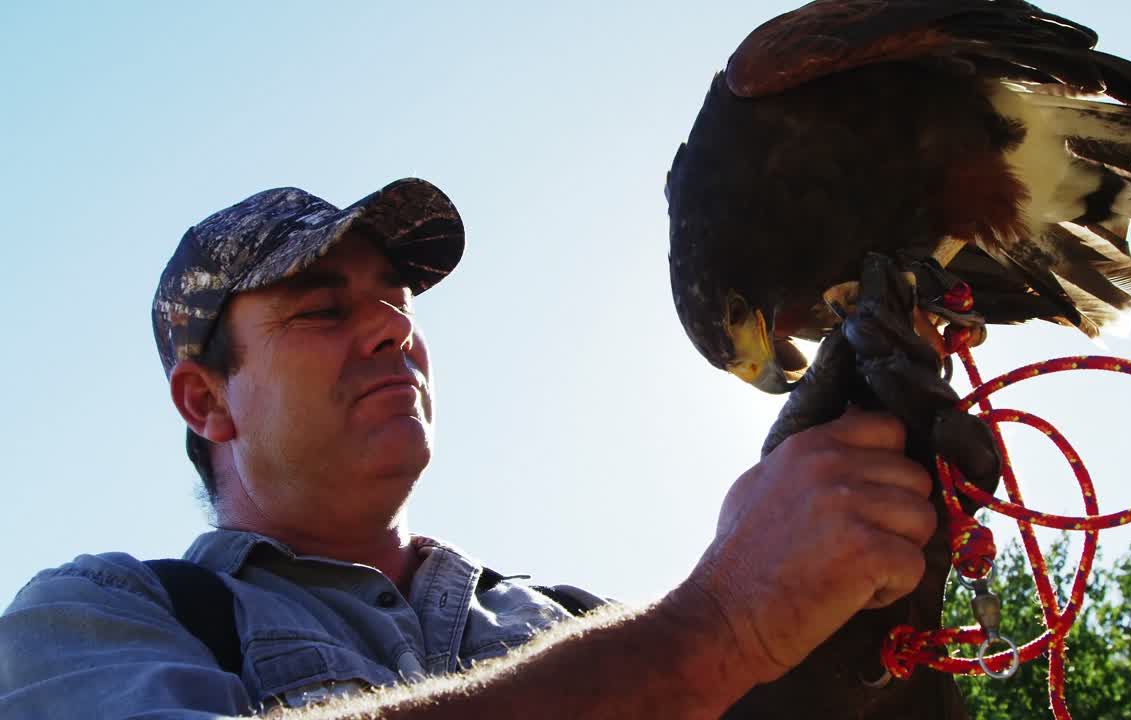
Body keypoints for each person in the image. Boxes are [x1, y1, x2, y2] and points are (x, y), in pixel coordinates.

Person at [0, 178, 937, 719]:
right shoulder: (92, 616)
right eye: (322, 309)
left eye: (397, 302)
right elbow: (708, 639)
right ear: (205, 400)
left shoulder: (574, 618)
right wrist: (718, 632)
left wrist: (855, 624)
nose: (392, 328)